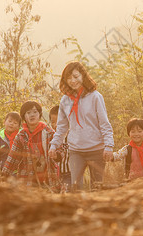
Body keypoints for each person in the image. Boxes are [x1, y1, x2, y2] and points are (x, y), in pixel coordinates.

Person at [48, 61, 114, 190]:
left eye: (76, 76)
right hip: (76, 151)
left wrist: (109, 145)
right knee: (75, 187)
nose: (73, 81)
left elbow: (104, 123)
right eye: (69, 78)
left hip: (96, 149)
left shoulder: (95, 97)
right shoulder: (65, 100)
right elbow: (62, 127)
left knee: (97, 187)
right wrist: (54, 145)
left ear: (83, 76)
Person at [1, 101, 61, 191]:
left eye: (35, 112)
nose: (32, 115)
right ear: (24, 117)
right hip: (27, 180)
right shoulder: (21, 136)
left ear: (39, 114)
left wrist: (57, 155)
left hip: (48, 179)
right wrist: (3, 176)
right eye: (28, 113)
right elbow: (13, 158)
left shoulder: (49, 133)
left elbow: (60, 151)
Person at [0, 112, 21, 180]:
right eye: (10, 121)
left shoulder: (22, 138)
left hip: (20, 175)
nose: (12, 124)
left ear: (19, 126)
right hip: (4, 175)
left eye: (15, 123)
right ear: (4, 122)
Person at [49, 105, 71, 189]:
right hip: (55, 174)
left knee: (67, 194)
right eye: (52, 122)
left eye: (58, 122)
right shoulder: (51, 137)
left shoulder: (71, 136)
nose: (55, 125)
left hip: (69, 173)